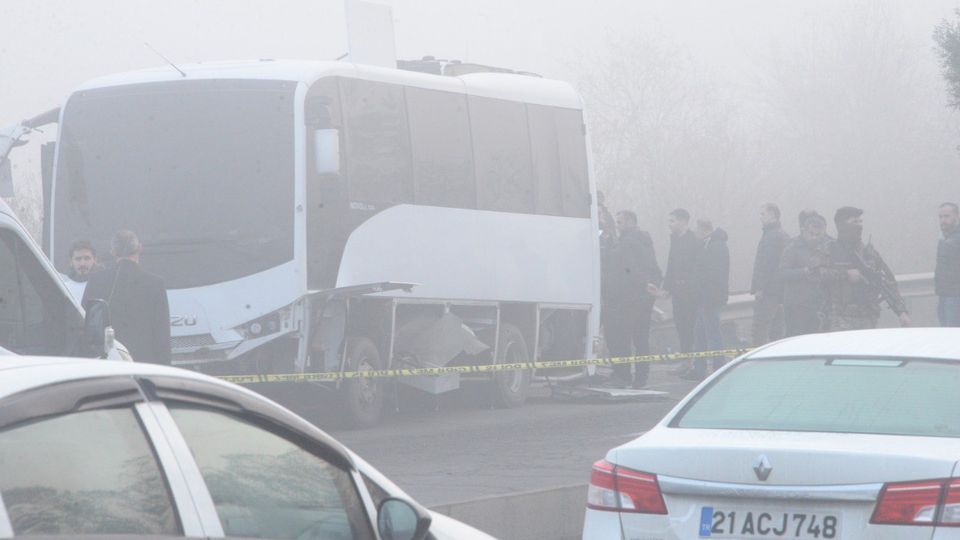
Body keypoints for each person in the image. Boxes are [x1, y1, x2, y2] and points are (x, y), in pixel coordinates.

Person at [83, 230, 171, 364]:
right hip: (145, 364)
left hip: (107, 363)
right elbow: (162, 335)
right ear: (139, 249)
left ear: (112, 252)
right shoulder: (155, 284)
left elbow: (86, 326)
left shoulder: (96, 281)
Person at [820, 207, 910, 331]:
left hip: (868, 317)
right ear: (842, 225)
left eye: (860, 222)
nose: (859, 226)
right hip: (840, 318)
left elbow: (887, 283)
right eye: (854, 222)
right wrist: (845, 274)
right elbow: (815, 274)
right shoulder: (830, 250)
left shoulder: (869, 253)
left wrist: (901, 311)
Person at [603, 210, 662, 388]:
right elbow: (652, 267)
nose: (617, 226)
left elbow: (629, 269)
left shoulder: (627, 242)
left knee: (622, 337)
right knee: (641, 338)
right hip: (643, 297)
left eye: (619, 222)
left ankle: (623, 375)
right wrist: (649, 286)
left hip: (628, 297)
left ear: (629, 222)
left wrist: (642, 284)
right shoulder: (644, 240)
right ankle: (641, 377)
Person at [650, 209, 700, 355]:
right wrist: (667, 288)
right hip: (678, 293)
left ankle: (694, 362)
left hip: (690, 294)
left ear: (683, 221)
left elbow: (695, 268)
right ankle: (687, 361)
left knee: (691, 327)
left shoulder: (693, 241)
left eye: (672, 221)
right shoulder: (675, 239)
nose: (669, 224)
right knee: (681, 327)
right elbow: (672, 266)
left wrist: (687, 286)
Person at [684, 219, 729, 380]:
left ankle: (718, 367)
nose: (695, 233)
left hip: (710, 298)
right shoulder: (708, 245)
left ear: (704, 230)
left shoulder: (715, 247)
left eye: (697, 229)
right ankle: (699, 367)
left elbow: (713, 275)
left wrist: (704, 294)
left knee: (712, 332)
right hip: (705, 297)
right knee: (700, 333)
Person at [780, 212, 829, 336]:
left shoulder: (827, 248)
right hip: (796, 305)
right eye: (811, 234)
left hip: (817, 303)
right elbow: (782, 273)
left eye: (818, 235)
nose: (814, 237)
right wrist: (803, 272)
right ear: (803, 231)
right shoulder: (792, 247)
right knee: (795, 338)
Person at [750, 203, 789, 345]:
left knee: (760, 328)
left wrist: (760, 288)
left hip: (768, 291)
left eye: (763, 214)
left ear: (772, 214)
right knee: (777, 330)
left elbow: (766, 265)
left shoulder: (772, 236)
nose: (760, 217)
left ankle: (759, 361)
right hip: (779, 291)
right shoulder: (780, 234)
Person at [936, 202, 960, 327]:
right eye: (940, 217)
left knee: (952, 335)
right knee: (946, 334)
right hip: (944, 295)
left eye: (947, 216)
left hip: (955, 296)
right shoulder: (944, 238)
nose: (943, 220)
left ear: (957, 216)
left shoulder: (955, 239)